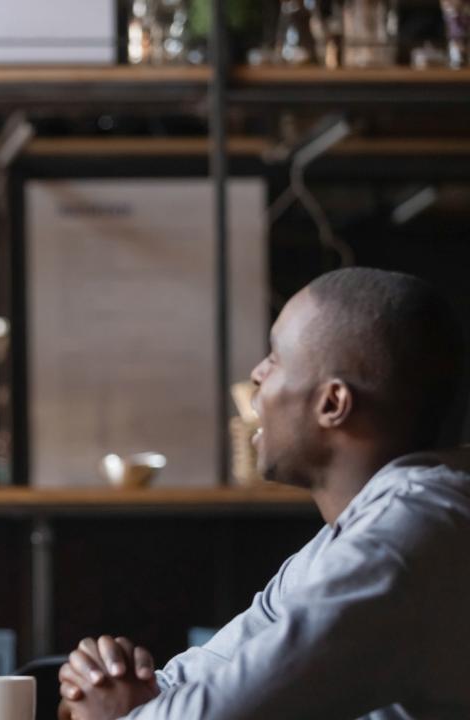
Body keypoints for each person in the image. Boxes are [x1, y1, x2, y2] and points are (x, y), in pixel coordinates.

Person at [56, 267, 469, 720]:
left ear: (332, 403)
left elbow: (223, 713)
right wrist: (104, 686)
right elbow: (202, 678)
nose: (256, 375)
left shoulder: (405, 538)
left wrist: (113, 711)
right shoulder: (342, 541)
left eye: (275, 357)